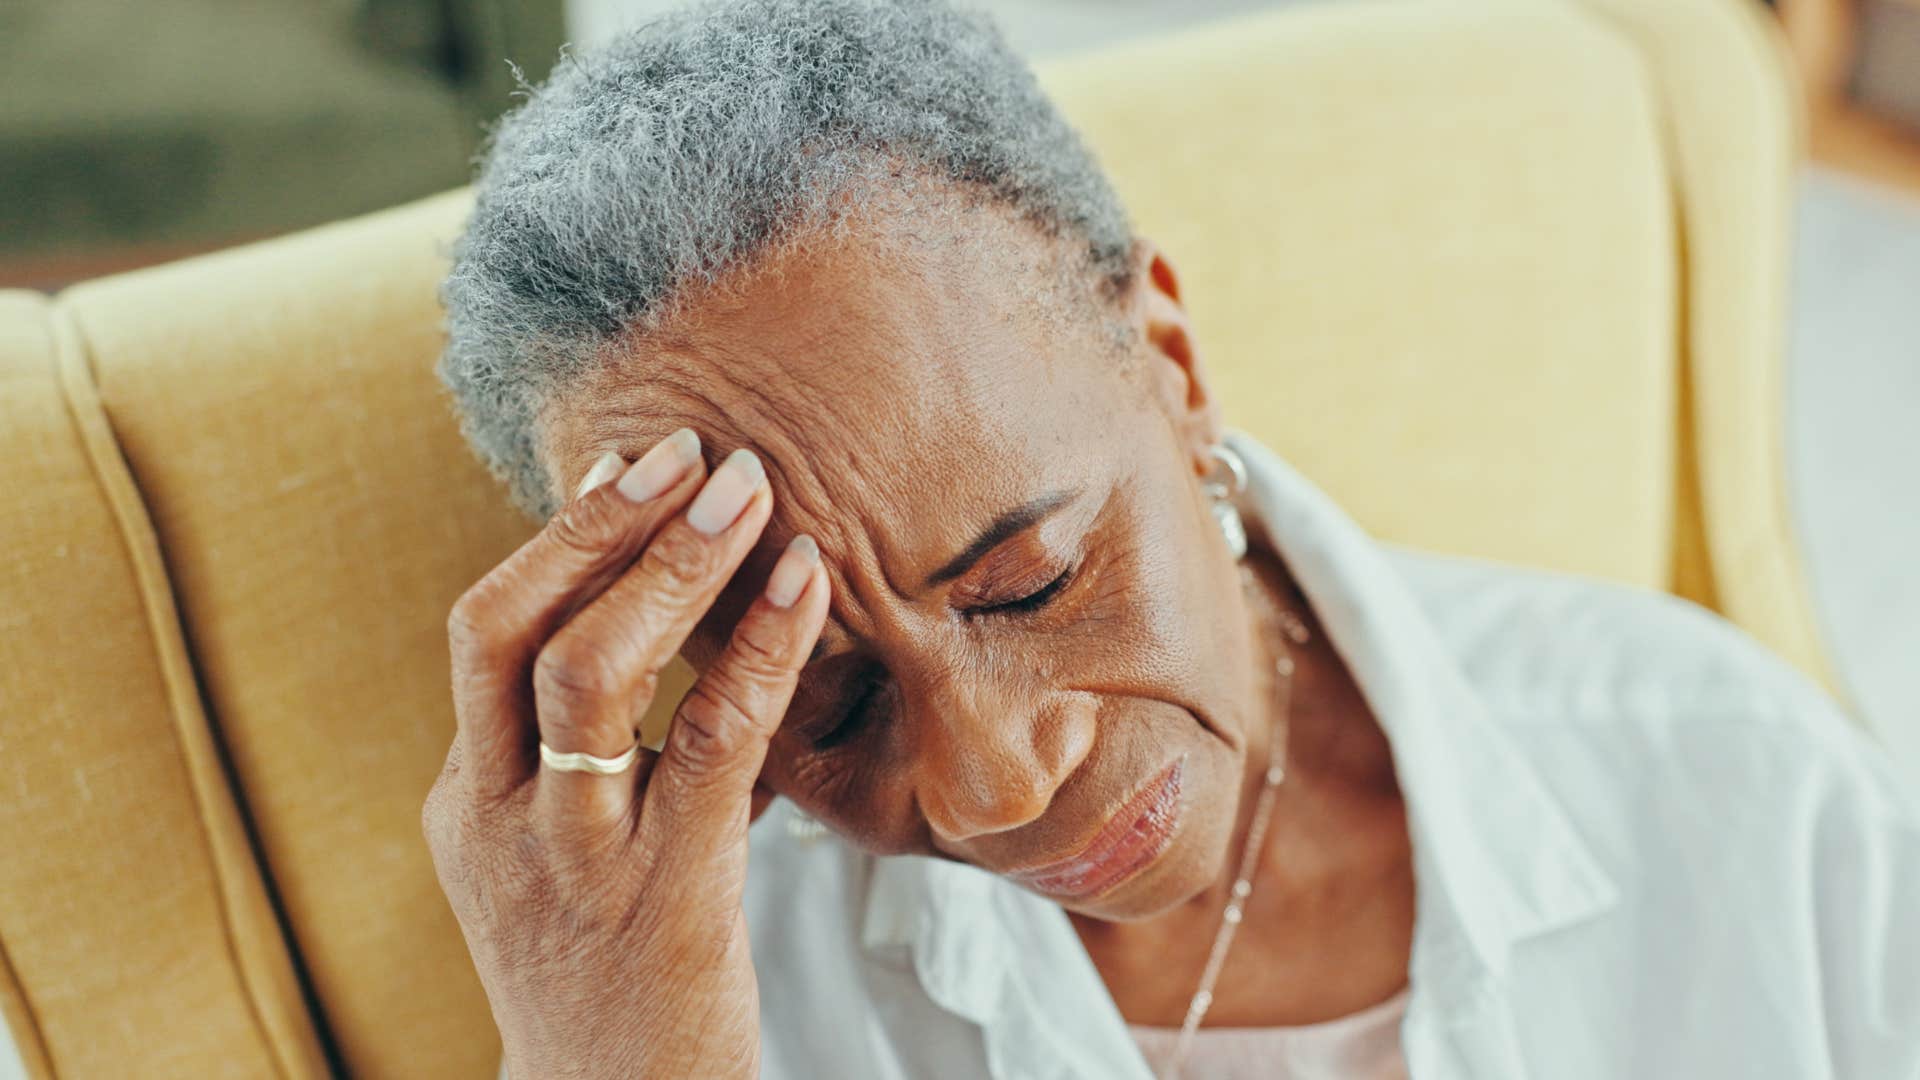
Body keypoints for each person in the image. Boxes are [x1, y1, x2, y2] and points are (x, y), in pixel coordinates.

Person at [421, 0, 1920, 1076]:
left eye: (1033, 580)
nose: (996, 785)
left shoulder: (1736, 793)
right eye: (828, 699)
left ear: (1175, 370)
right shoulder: (710, 1005)